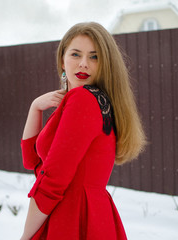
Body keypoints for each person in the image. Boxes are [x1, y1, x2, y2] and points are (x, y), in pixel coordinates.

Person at [20, 22, 146, 240]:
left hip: (71, 218)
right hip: (93, 216)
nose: (83, 64)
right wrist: (35, 107)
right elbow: (32, 161)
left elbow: (51, 181)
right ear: (62, 59)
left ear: (105, 63)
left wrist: (25, 237)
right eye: (76, 54)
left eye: (94, 57)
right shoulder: (97, 100)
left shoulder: (83, 100)